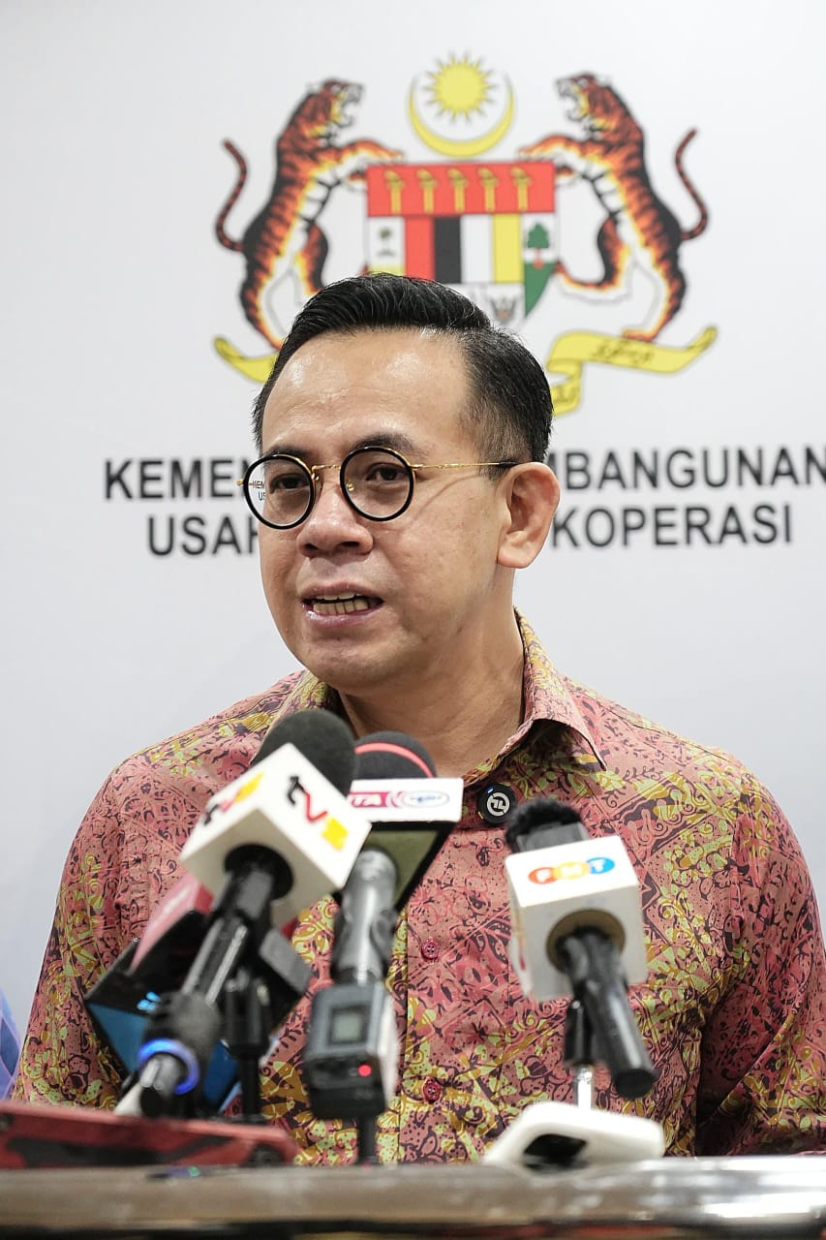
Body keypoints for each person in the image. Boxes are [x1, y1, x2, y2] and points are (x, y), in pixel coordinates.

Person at [14, 274, 826, 1162]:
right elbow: (54, 1171)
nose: (325, 527)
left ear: (519, 514)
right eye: (288, 483)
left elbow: (795, 1173)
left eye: (383, 477)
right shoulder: (156, 813)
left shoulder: (706, 820)